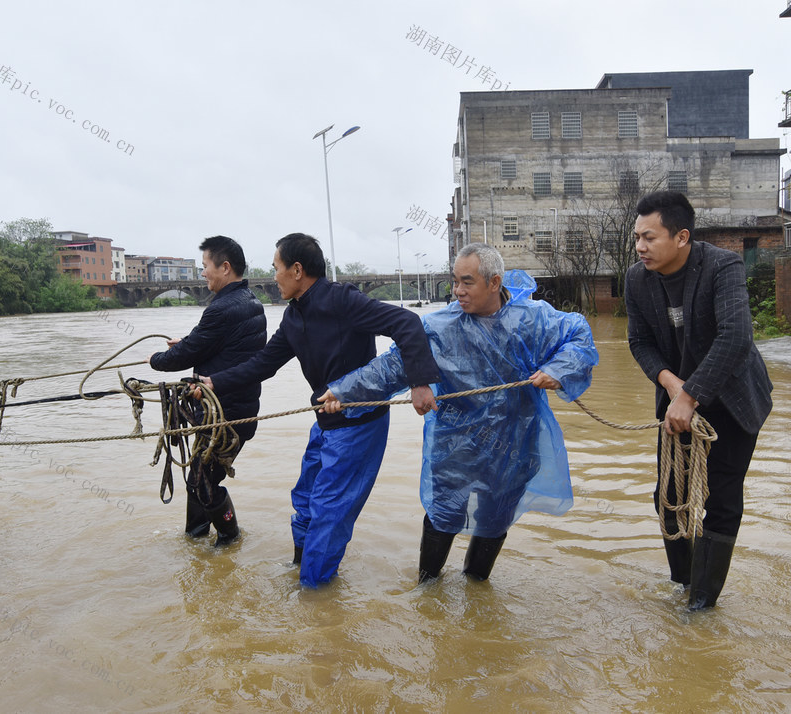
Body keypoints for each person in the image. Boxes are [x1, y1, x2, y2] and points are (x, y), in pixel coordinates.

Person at [320, 243, 598, 583]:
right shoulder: (440, 326)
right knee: (442, 515)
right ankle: (427, 586)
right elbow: (392, 366)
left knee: (495, 520)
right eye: (454, 281)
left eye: (467, 282)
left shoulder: (533, 320)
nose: (458, 291)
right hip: (456, 444)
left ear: (494, 283)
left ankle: (476, 587)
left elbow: (579, 335)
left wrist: (559, 368)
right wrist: (343, 391)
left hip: (511, 445)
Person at [200, 233, 440, 588]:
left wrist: (420, 383)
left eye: (277, 268)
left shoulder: (342, 301)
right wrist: (213, 383)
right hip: (325, 422)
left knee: (329, 513)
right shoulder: (294, 317)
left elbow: (406, 324)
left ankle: (314, 600)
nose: (273, 276)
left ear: (297, 270)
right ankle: (304, 571)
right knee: (306, 500)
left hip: (358, 424)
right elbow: (263, 363)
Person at [625, 191, 772, 610]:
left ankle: (701, 607)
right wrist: (673, 387)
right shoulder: (637, 279)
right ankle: (682, 585)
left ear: (682, 236)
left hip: (733, 400)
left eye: (649, 237)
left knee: (721, 501)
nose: (640, 247)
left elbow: (735, 338)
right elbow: (639, 341)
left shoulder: (721, 266)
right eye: (637, 237)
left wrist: (691, 394)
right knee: (668, 497)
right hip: (677, 404)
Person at [147, 235, 266, 546]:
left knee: (202, 481)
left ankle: (230, 539)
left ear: (224, 268)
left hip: (223, 415)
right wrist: (186, 343)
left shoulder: (222, 308)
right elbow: (216, 345)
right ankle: (195, 538)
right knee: (199, 479)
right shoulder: (250, 301)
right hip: (239, 411)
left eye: (205, 267)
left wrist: (156, 360)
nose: (202, 274)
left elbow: (183, 357)